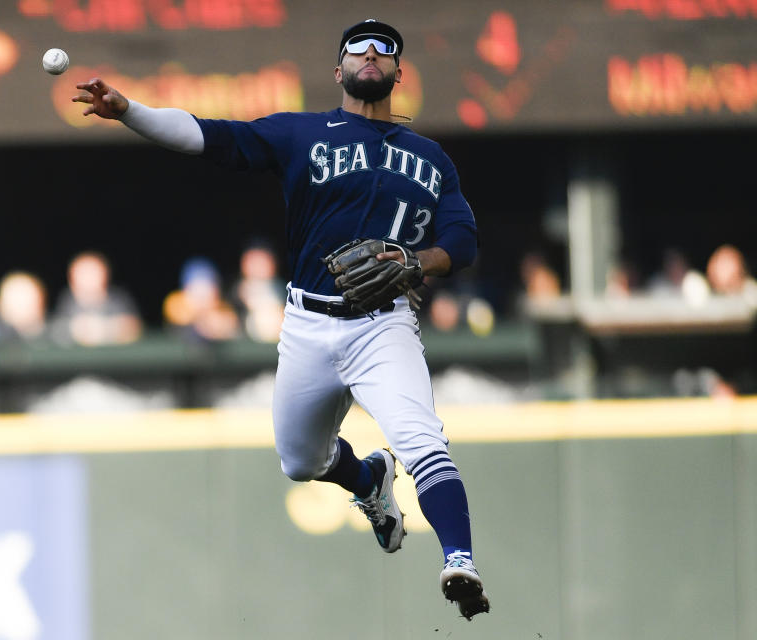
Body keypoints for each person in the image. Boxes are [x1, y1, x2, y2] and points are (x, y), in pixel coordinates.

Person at [73, 19, 489, 619]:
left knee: (422, 439)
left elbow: (463, 241)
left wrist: (414, 260)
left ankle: (460, 561)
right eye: (357, 47)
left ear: (399, 73)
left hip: (383, 324)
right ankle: (369, 482)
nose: (370, 54)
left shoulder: (430, 157)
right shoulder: (303, 133)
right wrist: (128, 110)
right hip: (308, 324)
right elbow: (208, 136)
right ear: (337, 69)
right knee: (299, 460)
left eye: (385, 49)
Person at [50, 250, 143, 346]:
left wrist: (104, 329)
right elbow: (57, 330)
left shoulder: (118, 298)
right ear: (72, 278)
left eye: (93, 272)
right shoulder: (67, 301)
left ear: (105, 274)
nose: (88, 278)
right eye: (83, 273)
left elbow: (134, 327)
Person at [162, 257, 240, 342]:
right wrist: (204, 322)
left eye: (207, 288)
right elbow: (181, 324)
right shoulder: (175, 304)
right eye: (198, 288)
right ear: (186, 289)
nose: (203, 295)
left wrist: (222, 326)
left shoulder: (223, 309)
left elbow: (231, 324)